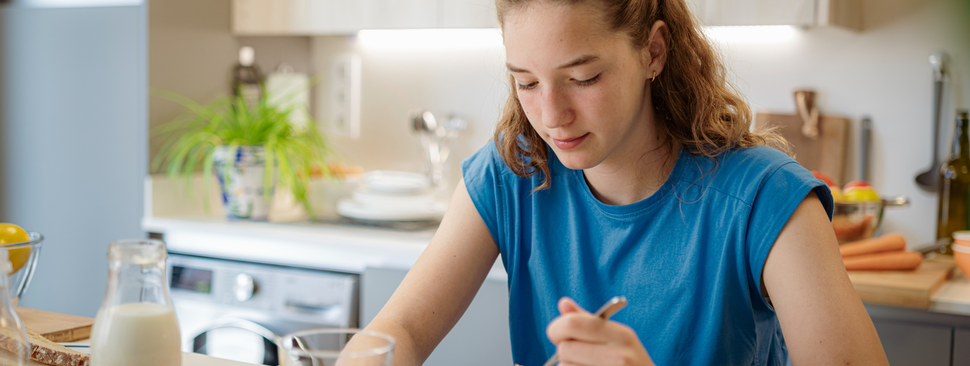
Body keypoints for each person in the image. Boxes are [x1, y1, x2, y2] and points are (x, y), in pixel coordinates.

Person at [361, 0, 890, 365]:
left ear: (653, 52)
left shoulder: (764, 199)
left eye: (583, 78)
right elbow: (397, 332)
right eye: (526, 82)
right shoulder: (512, 176)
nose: (552, 116)